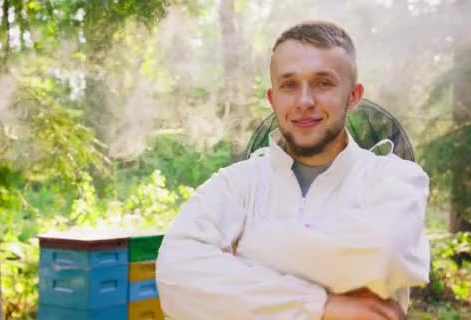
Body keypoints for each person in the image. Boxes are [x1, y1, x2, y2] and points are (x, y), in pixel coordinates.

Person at [156, 21, 430, 320]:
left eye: (323, 83)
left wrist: (245, 253)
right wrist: (321, 306)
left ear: (353, 96)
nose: (304, 101)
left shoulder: (396, 178)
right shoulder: (235, 185)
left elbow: (384, 255)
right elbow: (175, 273)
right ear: (273, 99)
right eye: (289, 85)